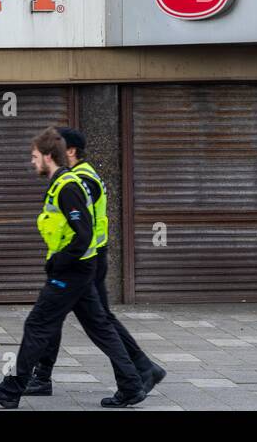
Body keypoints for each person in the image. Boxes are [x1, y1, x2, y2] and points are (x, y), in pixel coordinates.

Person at [0, 127, 146, 409]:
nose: (31, 162)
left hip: (71, 272)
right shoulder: (61, 183)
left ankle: (11, 389)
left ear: (47, 156)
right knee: (100, 327)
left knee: (37, 324)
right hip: (80, 269)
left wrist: (59, 262)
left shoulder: (68, 187)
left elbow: (84, 233)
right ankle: (132, 386)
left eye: (34, 156)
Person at [24, 127, 165, 397]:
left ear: (71, 151)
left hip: (85, 261)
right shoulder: (74, 176)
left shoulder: (81, 179)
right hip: (77, 260)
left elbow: (80, 226)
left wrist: (65, 256)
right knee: (65, 318)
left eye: (58, 146)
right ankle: (43, 376)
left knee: (94, 321)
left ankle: (140, 372)